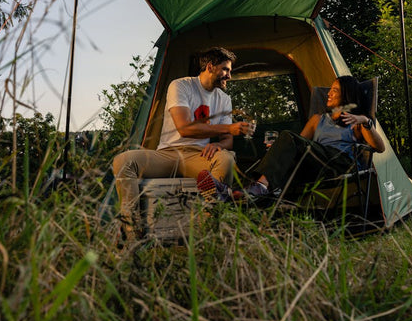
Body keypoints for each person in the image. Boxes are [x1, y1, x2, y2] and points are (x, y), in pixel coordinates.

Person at [111, 47, 254, 238]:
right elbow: (184, 128)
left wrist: (218, 145)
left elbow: (227, 141)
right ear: (210, 67)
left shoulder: (224, 99)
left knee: (226, 159)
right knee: (124, 161)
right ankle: (131, 226)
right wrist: (229, 128)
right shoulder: (181, 86)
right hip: (168, 154)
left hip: (198, 156)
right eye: (225, 69)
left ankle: (208, 226)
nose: (229, 75)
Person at [244, 75, 385, 197]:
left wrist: (365, 121)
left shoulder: (357, 120)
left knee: (288, 136)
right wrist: (280, 148)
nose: (329, 93)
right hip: (317, 165)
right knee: (288, 151)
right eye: (330, 89)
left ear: (346, 95)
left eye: (334, 90)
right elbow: (296, 144)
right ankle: (252, 190)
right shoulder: (318, 119)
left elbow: (380, 148)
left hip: (341, 164)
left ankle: (259, 187)